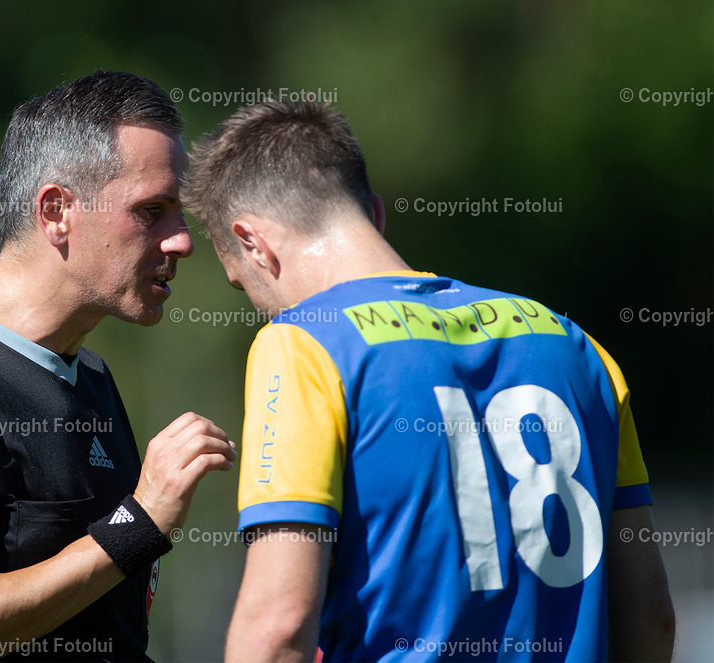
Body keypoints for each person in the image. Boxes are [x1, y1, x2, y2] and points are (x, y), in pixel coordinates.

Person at [180, 100, 675, 662]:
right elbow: (651, 614)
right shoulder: (579, 346)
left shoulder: (304, 343)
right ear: (375, 213)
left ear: (253, 244)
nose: (262, 310)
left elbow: (278, 626)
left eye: (241, 287)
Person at [0, 70, 236, 663]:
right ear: (56, 212)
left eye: (178, 213)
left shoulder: (92, 378)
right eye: (151, 210)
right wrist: (140, 523)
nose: (181, 240)